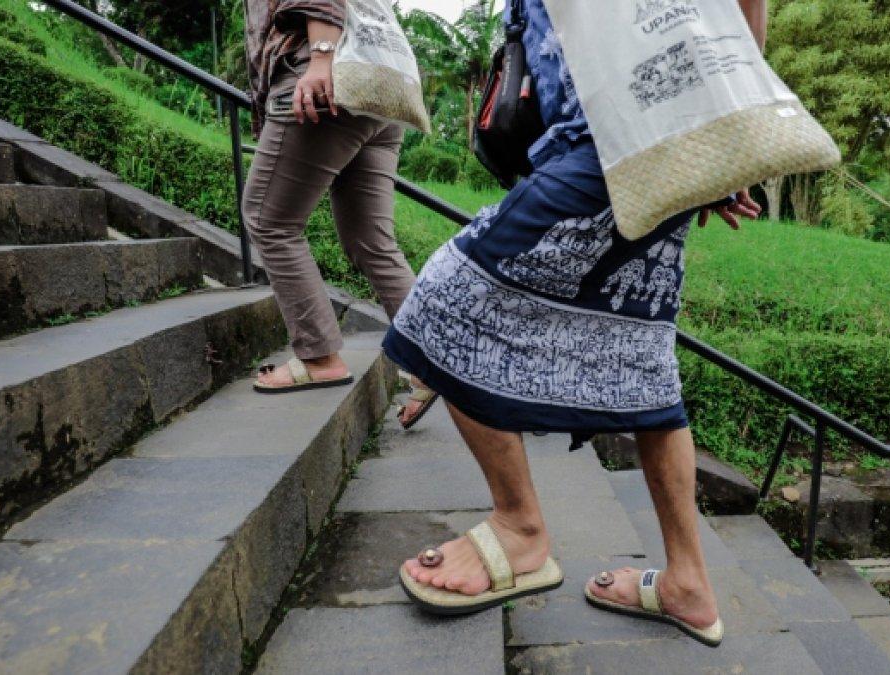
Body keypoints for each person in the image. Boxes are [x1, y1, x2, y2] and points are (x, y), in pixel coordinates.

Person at [386, 0, 767, 646]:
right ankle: (689, 582)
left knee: (443, 306)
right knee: (639, 354)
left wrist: (729, 138)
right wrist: (723, 140)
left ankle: (520, 527)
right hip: (649, 137)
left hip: (612, 138)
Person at [242, 0, 436, 427]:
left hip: (326, 82)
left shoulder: (321, 62)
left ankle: (318, 356)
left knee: (268, 220)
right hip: (379, 90)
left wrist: (320, 59)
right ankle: (431, 360)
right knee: (372, 243)